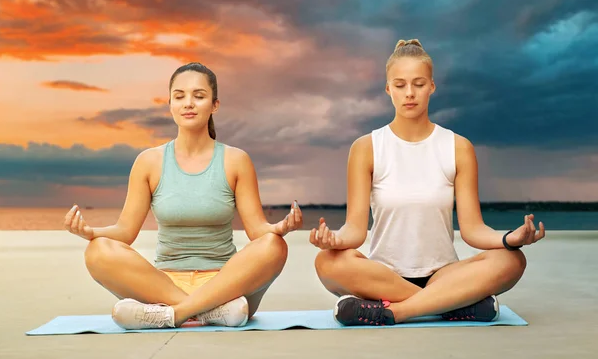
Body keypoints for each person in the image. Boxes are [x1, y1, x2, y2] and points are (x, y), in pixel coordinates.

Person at [310, 39, 545, 326]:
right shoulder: (366, 147)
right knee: (327, 262)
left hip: (444, 273)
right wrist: (333, 240)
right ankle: (451, 304)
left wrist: (509, 239)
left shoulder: (458, 147)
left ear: (432, 86)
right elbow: (355, 230)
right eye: (400, 85)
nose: (409, 93)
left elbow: (473, 229)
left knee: (511, 261)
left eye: (419, 84)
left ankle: (395, 312)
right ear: (388, 89)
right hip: (383, 276)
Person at [63, 62, 302, 329]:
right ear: (170, 105)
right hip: (165, 284)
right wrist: (90, 232)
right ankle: (210, 312)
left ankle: (174, 314)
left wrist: (279, 228)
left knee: (274, 245)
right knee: (98, 251)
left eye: (198, 96)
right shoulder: (149, 162)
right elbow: (125, 231)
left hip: (226, 284)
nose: (188, 103)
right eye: (180, 96)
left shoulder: (236, 160)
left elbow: (258, 231)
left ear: (215, 105)